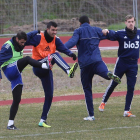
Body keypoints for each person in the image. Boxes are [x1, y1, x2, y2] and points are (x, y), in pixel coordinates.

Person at [64, 15, 121, 121]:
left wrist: (61, 48)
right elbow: (110, 36)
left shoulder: (78, 31)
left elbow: (72, 42)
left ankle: (91, 115)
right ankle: (108, 74)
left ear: (80, 23)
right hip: (97, 61)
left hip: (85, 65)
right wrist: (108, 31)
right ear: (89, 22)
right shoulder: (96, 30)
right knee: (104, 72)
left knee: (87, 89)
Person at [25, 21, 78, 127]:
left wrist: (71, 54)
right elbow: (24, 40)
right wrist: (35, 31)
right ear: (47, 29)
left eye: (56, 30)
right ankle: (68, 71)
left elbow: (63, 48)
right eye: (53, 30)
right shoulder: (38, 37)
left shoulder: (56, 39)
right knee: (54, 55)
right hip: (38, 66)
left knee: (49, 95)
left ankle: (42, 120)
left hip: (47, 69)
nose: (55, 32)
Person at [0, 31, 52, 130]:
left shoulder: (22, 40)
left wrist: (37, 31)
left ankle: (10, 124)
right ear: (16, 39)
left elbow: (29, 35)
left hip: (17, 73)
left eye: (25, 42)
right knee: (27, 59)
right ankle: (46, 65)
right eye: (22, 42)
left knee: (17, 99)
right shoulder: (7, 46)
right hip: (9, 70)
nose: (23, 44)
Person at [98, 15, 139, 117]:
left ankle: (126, 111)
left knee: (131, 87)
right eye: (129, 21)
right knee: (114, 83)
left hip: (133, 64)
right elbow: (111, 34)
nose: (131, 23)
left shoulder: (138, 33)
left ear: (135, 22)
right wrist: (106, 31)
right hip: (122, 63)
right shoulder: (121, 33)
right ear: (125, 22)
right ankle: (103, 102)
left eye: (132, 21)